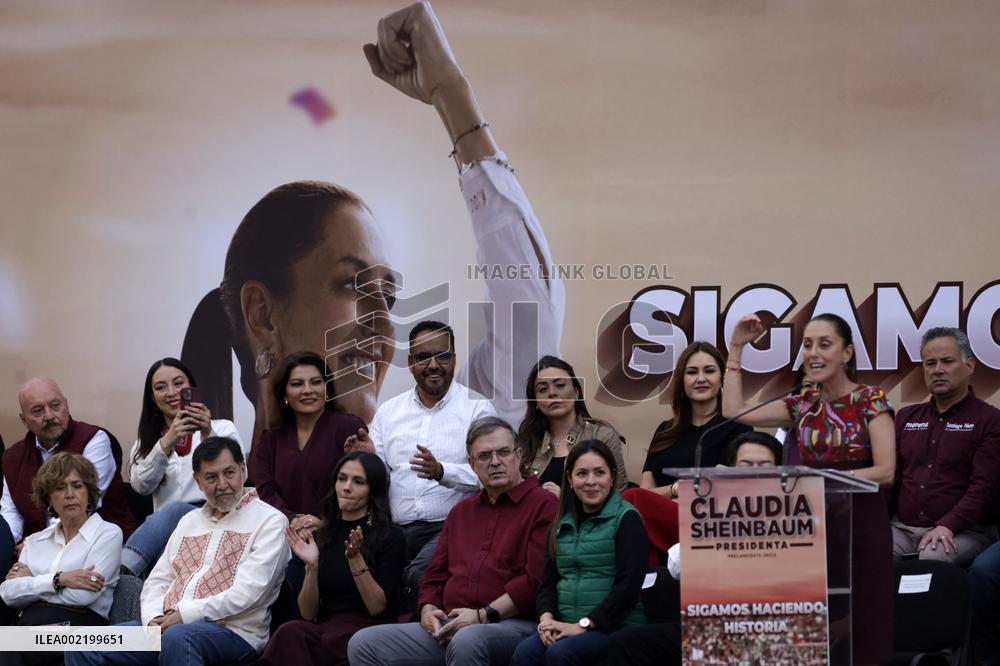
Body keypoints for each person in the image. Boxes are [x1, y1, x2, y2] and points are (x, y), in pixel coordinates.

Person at [180, 0, 565, 454]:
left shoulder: (431, 448)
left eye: (388, 294)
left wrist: (451, 95)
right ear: (262, 313)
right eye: (351, 284)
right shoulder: (213, 505)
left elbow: (529, 318)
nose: (385, 326)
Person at [723, 312, 895, 665]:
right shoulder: (802, 404)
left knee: (864, 628)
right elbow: (734, 411)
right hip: (809, 529)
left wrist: (826, 482)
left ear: (847, 353)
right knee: (808, 629)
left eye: (824, 344)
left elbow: (887, 471)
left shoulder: (870, 401)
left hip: (859, 528)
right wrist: (737, 348)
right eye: (807, 345)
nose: (813, 353)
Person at [347, 416, 557, 666]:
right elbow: (435, 574)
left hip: (510, 624)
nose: (495, 462)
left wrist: (481, 616)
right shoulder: (461, 512)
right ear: (472, 464)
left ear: (519, 455)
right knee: (364, 644)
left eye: (503, 452)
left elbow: (534, 580)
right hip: (450, 624)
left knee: (468, 640)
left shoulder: (543, 504)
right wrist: (427, 609)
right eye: (484, 456)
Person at [66, 437, 290, 666]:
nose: (222, 484)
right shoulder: (189, 521)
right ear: (198, 481)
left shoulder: (270, 521)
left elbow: (249, 592)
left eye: (229, 473)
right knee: (83, 642)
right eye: (211, 477)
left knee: (178, 637)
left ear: (242, 469)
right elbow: (158, 580)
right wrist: (153, 618)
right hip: (167, 626)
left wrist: (185, 615)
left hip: (234, 632)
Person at [607, 433, 784, 666]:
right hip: (711, 623)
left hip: (774, 626)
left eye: (764, 466)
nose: (754, 472)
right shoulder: (719, 511)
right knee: (623, 644)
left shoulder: (794, 514)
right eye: (745, 466)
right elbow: (675, 564)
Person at [346, 321, 494, 597]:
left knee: (415, 578)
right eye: (424, 357)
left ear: (454, 359)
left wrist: (441, 472)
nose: (434, 365)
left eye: (443, 356)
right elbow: (382, 477)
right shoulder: (389, 411)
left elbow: (490, 476)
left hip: (451, 530)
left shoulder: (478, 409)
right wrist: (369, 459)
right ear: (411, 362)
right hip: (394, 530)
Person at [511, 440, 648, 666]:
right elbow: (547, 583)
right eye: (582, 473)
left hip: (614, 628)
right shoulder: (559, 524)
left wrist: (584, 625)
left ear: (612, 477)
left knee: (560, 654)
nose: (591, 481)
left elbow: (629, 587)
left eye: (599, 473)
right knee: (526, 653)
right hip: (565, 625)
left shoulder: (627, 518)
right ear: (570, 480)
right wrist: (546, 621)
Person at [261, 452, 405, 666]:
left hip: (367, 632)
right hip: (327, 628)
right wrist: (311, 567)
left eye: (358, 482)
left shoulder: (389, 536)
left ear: (372, 491)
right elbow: (308, 613)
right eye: (342, 478)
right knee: (289, 632)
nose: (346, 487)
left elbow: (377, 608)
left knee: (326, 643)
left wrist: (356, 560)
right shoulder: (322, 535)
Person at [121, 357, 245, 577]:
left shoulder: (222, 427)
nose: (171, 392)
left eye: (179, 383)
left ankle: (122, 570)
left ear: (191, 388)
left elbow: (238, 476)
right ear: (152, 397)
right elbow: (140, 487)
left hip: (213, 516)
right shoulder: (146, 442)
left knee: (176, 510)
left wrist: (207, 433)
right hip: (166, 532)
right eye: (161, 387)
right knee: (163, 558)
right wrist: (168, 440)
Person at [891, 327, 1000, 565]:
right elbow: (892, 479)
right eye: (930, 363)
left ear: (969, 365)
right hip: (903, 529)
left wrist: (947, 525)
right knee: (865, 549)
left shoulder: (990, 420)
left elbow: (983, 487)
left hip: (965, 531)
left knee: (933, 557)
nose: (938, 370)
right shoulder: (906, 418)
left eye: (947, 361)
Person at [1, 454, 122, 666]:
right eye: (59, 488)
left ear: (89, 492)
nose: (69, 494)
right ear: (48, 497)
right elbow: (8, 593)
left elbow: (84, 595)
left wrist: (33, 583)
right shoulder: (35, 541)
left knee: (10, 645)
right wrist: (60, 580)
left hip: (79, 627)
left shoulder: (108, 534)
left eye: (77, 486)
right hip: (29, 626)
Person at [1, 378, 135, 546]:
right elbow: (11, 515)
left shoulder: (94, 440)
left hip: (95, 544)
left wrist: (38, 544)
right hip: (33, 552)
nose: (49, 416)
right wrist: (7, 545)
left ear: (66, 404)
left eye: (55, 406)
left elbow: (85, 504)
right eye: (37, 411)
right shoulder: (12, 457)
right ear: (24, 420)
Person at [642, 341, 751, 497]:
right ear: (682, 381)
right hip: (659, 516)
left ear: (722, 378)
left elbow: (729, 490)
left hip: (709, 517)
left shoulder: (738, 428)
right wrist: (677, 488)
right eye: (692, 372)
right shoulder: (665, 430)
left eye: (709, 371)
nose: (701, 378)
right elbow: (644, 495)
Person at [518, 355, 627, 495]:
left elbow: (619, 496)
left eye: (560, 385)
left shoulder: (602, 435)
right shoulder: (526, 441)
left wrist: (566, 501)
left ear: (576, 393)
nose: (552, 393)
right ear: (536, 402)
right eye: (543, 389)